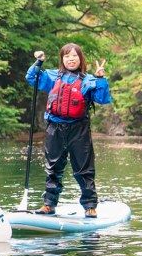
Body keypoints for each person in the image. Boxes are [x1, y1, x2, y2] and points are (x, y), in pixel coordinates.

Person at [26, 43, 111, 218]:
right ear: (62, 59)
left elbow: (102, 99)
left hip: (78, 129)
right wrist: (38, 62)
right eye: (66, 56)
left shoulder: (88, 80)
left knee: (83, 168)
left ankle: (89, 205)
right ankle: (49, 204)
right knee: (53, 167)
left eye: (74, 56)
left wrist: (101, 78)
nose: (70, 59)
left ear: (80, 59)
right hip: (54, 128)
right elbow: (31, 78)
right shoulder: (51, 76)